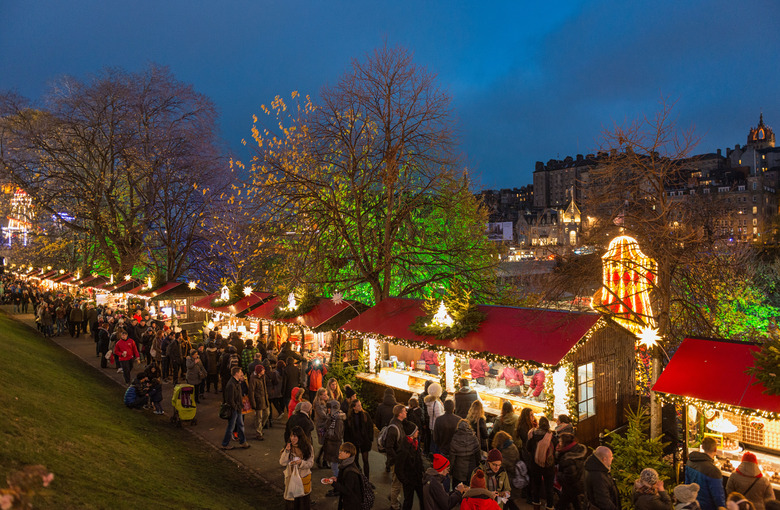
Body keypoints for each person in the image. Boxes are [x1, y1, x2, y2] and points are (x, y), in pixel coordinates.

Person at [685, 437, 726, 510]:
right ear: (715, 449)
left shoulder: (690, 462)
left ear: (702, 447)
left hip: (693, 505)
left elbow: (687, 485)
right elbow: (718, 496)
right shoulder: (713, 471)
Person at [280, 425, 314, 510]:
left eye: (295, 436)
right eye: (291, 436)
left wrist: (301, 463)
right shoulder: (289, 447)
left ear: (300, 437)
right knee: (292, 503)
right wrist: (286, 451)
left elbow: (310, 463)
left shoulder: (308, 447)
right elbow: (282, 462)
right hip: (291, 479)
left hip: (303, 478)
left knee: (303, 504)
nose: (292, 438)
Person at [527, 416, 557, 510]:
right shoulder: (552, 436)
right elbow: (556, 450)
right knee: (549, 488)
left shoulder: (533, 435)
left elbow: (528, 448)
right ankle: (549, 506)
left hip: (535, 465)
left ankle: (536, 505)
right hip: (548, 466)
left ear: (539, 424)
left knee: (536, 486)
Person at [324, 441, 364, 510]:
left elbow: (347, 490)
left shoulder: (350, 471)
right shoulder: (347, 464)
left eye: (342, 451)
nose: (339, 452)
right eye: (340, 450)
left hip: (352, 504)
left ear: (348, 454)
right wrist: (337, 479)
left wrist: (333, 483)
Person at [344, 399, 375, 484]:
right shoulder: (349, 417)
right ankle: (359, 479)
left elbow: (370, 427)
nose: (360, 407)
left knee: (365, 461)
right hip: (354, 442)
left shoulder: (365, 415)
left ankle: (367, 481)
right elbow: (347, 432)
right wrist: (348, 444)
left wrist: (370, 439)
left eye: (360, 405)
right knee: (355, 461)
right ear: (354, 407)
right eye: (358, 405)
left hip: (364, 441)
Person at [220, 366, 251, 450]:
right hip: (234, 409)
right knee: (231, 427)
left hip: (238, 408)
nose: (242, 374)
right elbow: (230, 399)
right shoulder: (231, 384)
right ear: (236, 373)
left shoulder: (236, 382)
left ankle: (243, 442)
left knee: (240, 425)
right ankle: (225, 444)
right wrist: (236, 407)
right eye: (240, 372)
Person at [396, 421, 425, 510]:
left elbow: (418, 460)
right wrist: (406, 481)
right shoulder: (404, 449)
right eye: (416, 430)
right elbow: (398, 469)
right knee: (408, 501)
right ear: (411, 433)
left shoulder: (415, 443)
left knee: (423, 499)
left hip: (418, 478)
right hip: (409, 480)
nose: (418, 431)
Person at [555, 432, 587, 510]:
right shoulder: (576, 450)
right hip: (577, 485)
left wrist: (558, 475)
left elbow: (569, 477)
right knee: (577, 504)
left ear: (565, 443)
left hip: (571, 487)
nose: (559, 444)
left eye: (560, 442)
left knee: (561, 506)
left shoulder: (568, 458)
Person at [386, 404, 407, 510]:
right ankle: (394, 504)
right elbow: (389, 447)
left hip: (397, 459)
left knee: (396, 482)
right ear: (400, 414)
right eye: (404, 411)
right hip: (396, 461)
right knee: (396, 483)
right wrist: (397, 459)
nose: (406, 412)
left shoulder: (397, 423)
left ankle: (393, 496)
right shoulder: (394, 427)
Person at [451, 419, 482, 489]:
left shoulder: (455, 438)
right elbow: (478, 456)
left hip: (458, 471)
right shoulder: (474, 438)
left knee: (457, 490)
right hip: (471, 470)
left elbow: (452, 458)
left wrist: (451, 470)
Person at [322, 399, 346, 493]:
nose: (328, 410)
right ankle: (337, 487)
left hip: (335, 447)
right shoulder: (332, 418)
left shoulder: (338, 420)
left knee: (335, 469)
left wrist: (327, 435)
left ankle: (337, 488)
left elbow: (338, 436)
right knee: (334, 468)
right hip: (332, 447)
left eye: (329, 408)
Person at [248, 364, 270, 441]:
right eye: (263, 370)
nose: (264, 371)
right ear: (259, 371)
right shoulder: (253, 379)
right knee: (259, 417)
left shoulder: (262, 377)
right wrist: (253, 403)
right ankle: (258, 433)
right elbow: (251, 392)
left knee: (267, 413)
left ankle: (260, 428)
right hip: (258, 401)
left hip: (264, 399)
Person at [424, 382, 445, 453]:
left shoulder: (430, 402)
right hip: (437, 425)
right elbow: (439, 416)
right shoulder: (436, 403)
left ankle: (432, 454)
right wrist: (444, 412)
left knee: (433, 441)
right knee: (436, 442)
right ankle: (436, 456)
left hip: (432, 424)